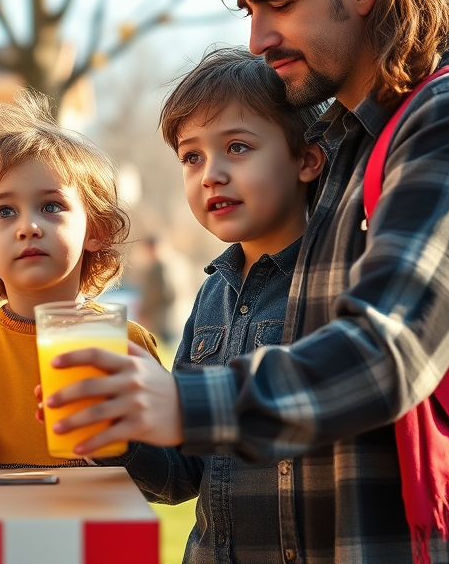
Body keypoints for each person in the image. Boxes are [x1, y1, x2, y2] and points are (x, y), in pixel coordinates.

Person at [43, 0, 449, 563]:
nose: (258, 39)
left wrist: (181, 402)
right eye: (249, 12)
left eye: (278, 4)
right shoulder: (351, 139)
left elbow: (387, 352)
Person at [113, 47, 325, 563]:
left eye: (237, 147)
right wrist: (119, 430)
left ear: (307, 157)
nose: (211, 174)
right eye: (193, 156)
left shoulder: (331, 283)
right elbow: (182, 476)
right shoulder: (213, 294)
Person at [0, 89, 159, 469]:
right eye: (5, 211)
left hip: (99, 526)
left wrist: (127, 438)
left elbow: (173, 475)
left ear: (97, 229)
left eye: (51, 206)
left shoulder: (127, 343)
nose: (28, 227)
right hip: (5, 527)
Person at [129, 237, 175, 343]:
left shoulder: (158, 267)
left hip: (159, 319)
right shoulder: (170, 264)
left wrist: (144, 313)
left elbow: (159, 294)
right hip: (167, 318)